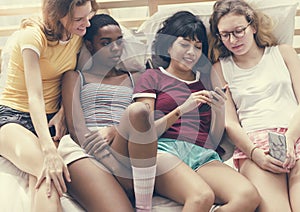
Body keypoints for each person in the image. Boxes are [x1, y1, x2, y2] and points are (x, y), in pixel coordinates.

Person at [133, 10, 260, 212]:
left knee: (248, 197)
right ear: (168, 44)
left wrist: (219, 111)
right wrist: (182, 109)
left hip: (201, 155)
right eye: (184, 44)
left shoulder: (205, 81)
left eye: (198, 47)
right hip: (163, 151)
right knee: (201, 196)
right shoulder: (152, 76)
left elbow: (213, 139)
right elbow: (145, 133)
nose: (191, 52)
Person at [0, 0, 98, 211]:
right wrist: (49, 151)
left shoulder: (77, 37)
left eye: (88, 16)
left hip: (50, 119)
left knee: (49, 178)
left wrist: (63, 112)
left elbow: (74, 81)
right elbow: (34, 96)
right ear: (58, 15)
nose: (86, 25)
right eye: (78, 19)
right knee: (48, 170)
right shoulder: (32, 36)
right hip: (14, 117)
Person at [58, 14, 157, 211]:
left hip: (122, 141)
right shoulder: (75, 77)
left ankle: (143, 203)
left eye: (119, 41)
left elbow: (146, 121)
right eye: (106, 43)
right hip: (85, 147)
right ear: (89, 45)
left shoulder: (136, 77)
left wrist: (115, 129)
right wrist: (116, 169)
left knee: (138, 111)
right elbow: (76, 127)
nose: (115, 48)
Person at [209, 0, 300, 211]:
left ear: (253, 26)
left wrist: (289, 139)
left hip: (295, 135)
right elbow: (230, 123)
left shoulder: (283, 53)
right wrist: (255, 153)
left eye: (239, 31)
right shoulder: (220, 69)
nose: (233, 40)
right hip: (256, 145)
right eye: (225, 34)